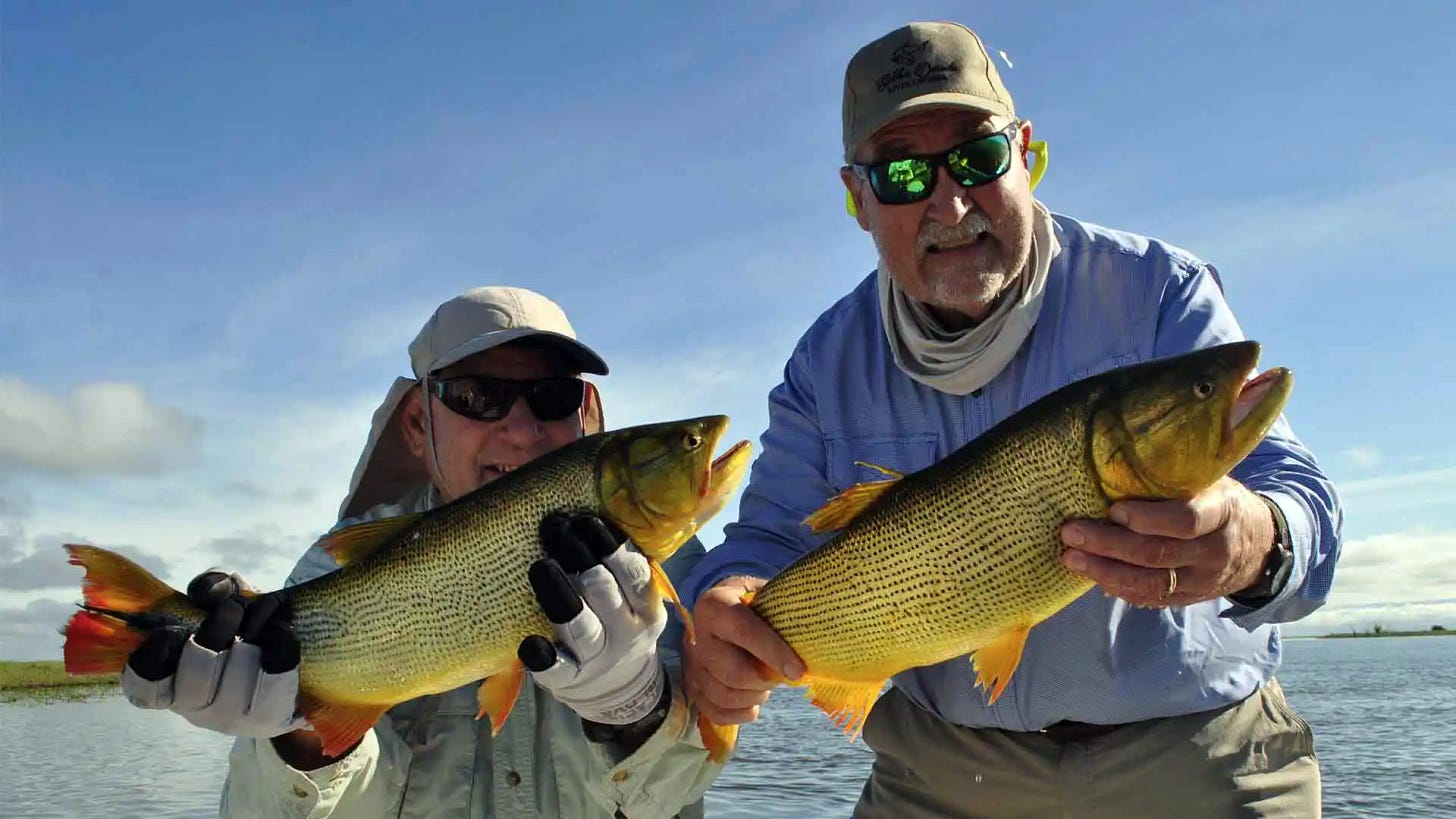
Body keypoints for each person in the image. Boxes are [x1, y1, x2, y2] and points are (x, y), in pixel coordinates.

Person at [682, 20, 1343, 819]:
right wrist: (728, 600)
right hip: (940, 769)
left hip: (1195, 749)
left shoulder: (1158, 291)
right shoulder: (826, 362)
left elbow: (1299, 502)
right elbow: (769, 538)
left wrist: (1253, 542)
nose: (950, 201)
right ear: (857, 199)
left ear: (1024, 152)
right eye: (899, 173)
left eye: (977, 156)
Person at [118, 286, 722, 818]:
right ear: (415, 424)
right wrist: (295, 740)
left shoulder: (676, 567)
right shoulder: (337, 564)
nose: (521, 428)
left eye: (551, 396)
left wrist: (635, 708)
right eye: (478, 395)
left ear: (586, 413)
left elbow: (678, 794)